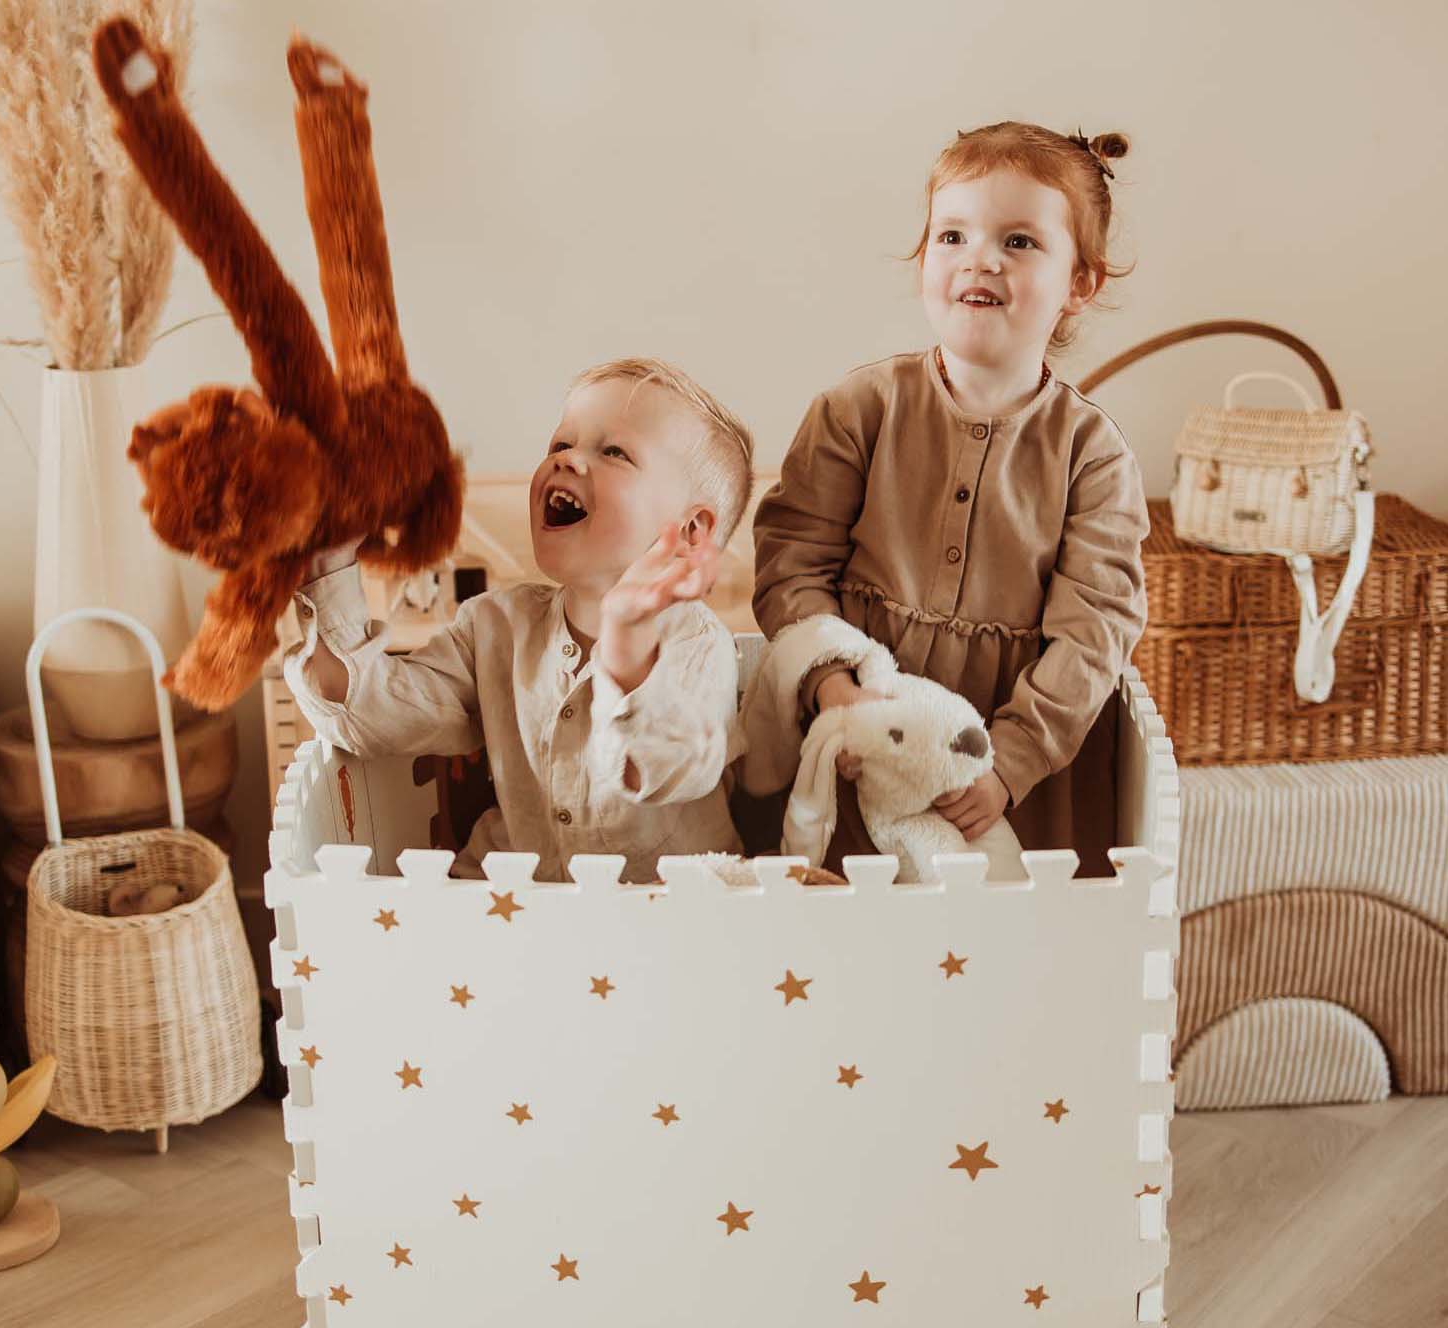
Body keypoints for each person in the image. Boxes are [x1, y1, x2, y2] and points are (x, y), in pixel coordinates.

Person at [751, 123, 1148, 874]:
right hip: (864, 724)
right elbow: (790, 563)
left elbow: (1093, 632)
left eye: (1020, 242)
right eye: (953, 236)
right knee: (844, 917)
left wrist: (1011, 765)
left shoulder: (1092, 455)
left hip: (999, 762)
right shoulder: (856, 409)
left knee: (982, 940)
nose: (980, 260)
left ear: (1080, 283)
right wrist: (835, 687)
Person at [286, 357, 754, 883]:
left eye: (614, 452)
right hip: (518, 901)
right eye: (560, 444)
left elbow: (667, 771)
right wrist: (327, 564)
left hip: (667, 918)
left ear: (690, 533)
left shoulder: (698, 643)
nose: (569, 460)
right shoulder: (495, 625)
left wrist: (627, 659)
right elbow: (372, 716)